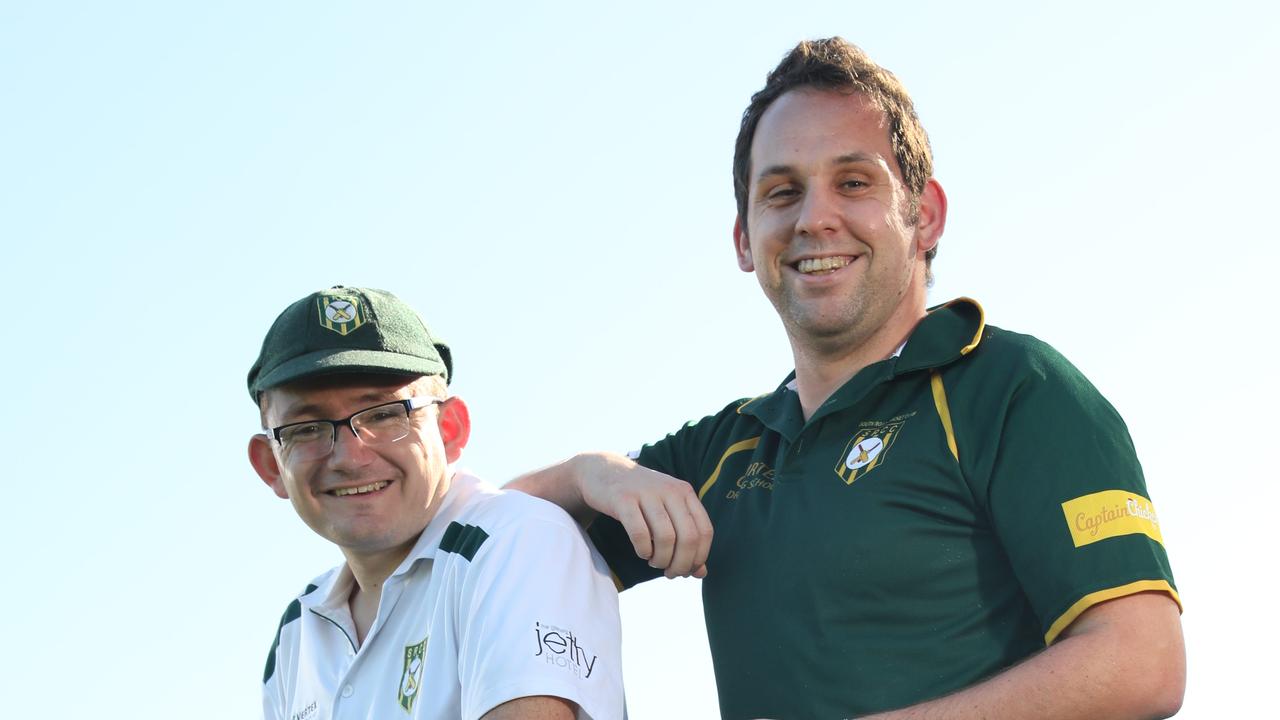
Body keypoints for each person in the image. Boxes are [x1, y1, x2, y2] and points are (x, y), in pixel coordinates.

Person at [511, 38, 1185, 719]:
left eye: (854, 182)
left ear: (924, 215)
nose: (814, 218)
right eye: (781, 192)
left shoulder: (1013, 386)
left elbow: (1143, 662)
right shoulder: (724, 452)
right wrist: (594, 473)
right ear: (745, 239)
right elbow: (491, 543)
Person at [246, 286, 624, 720]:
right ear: (271, 466)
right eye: (307, 428)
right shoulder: (298, 628)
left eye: (385, 414)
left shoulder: (517, 541)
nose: (349, 457)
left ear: (450, 429)